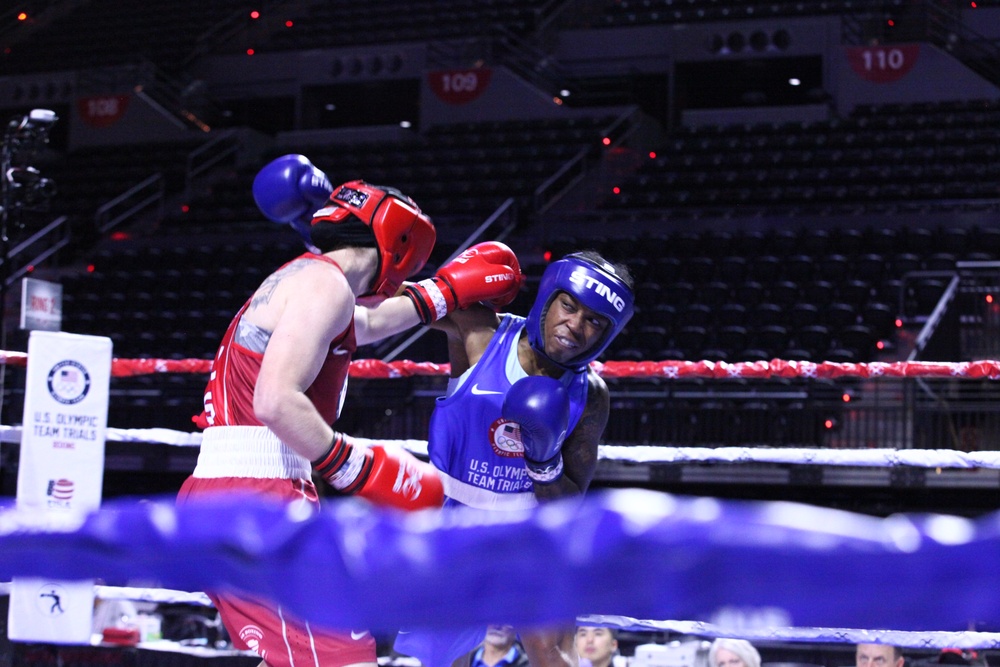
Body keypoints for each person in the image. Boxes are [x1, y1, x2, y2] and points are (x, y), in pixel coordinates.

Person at [177, 154, 523, 667]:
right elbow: (274, 401)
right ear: (404, 244)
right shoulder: (325, 285)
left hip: (223, 492)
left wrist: (445, 293)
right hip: (258, 498)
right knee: (341, 657)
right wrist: (355, 467)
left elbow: (362, 323)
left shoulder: (308, 280)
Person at [394, 250, 635, 667]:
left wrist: (545, 462)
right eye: (569, 306)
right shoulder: (482, 333)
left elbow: (570, 500)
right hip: (454, 516)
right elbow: (381, 302)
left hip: (531, 529)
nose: (575, 327)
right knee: (446, 658)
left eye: (594, 321)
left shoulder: (590, 394)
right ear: (548, 297)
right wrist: (446, 287)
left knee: (553, 650)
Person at [451, 625, 530, 667]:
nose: (497, 626)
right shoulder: (461, 658)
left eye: (505, 620)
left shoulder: (532, 662)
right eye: (491, 619)